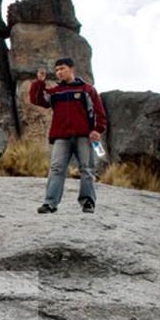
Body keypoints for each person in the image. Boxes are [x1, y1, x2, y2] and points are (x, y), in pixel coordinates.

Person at [29, 57, 107, 214]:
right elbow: (37, 100)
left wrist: (98, 130)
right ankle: (50, 203)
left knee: (87, 169)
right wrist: (39, 82)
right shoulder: (55, 92)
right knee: (56, 168)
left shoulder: (87, 89)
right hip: (61, 137)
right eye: (57, 70)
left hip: (84, 136)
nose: (59, 72)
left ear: (72, 69)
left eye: (62, 69)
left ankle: (88, 203)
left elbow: (100, 112)